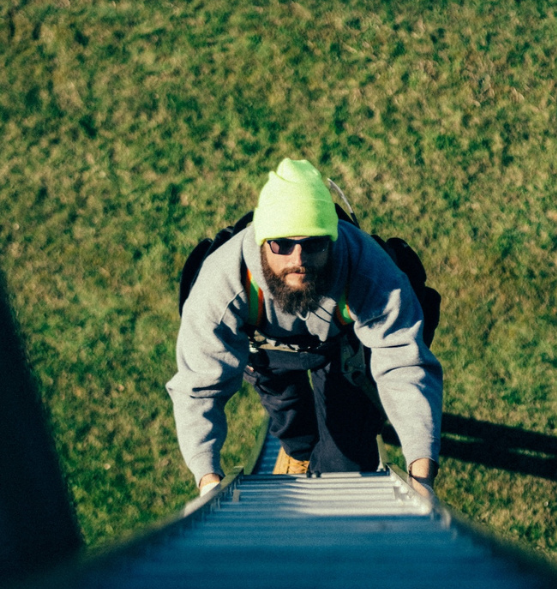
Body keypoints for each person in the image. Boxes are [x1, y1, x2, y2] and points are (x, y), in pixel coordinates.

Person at [167, 158, 443, 495]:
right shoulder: (222, 283)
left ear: (332, 239)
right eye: (281, 244)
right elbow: (198, 386)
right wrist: (208, 479)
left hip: (342, 349)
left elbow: (403, 363)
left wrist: (421, 477)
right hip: (266, 350)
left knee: (347, 466)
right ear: (261, 240)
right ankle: (299, 452)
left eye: (313, 243)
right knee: (291, 424)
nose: (298, 259)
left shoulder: (369, 269)